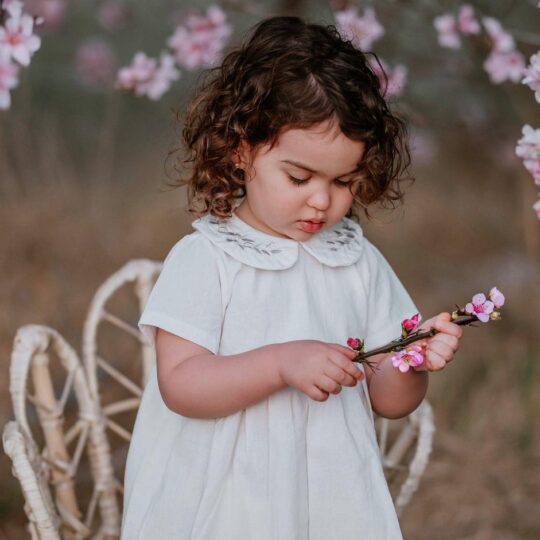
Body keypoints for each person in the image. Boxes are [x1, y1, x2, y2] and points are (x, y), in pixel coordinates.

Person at [121, 16, 463, 540]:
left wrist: (412, 358)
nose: (322, 200)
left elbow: (391, 401)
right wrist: (281, 363)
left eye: (344, 181)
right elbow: (182, 385)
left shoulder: (357, 260)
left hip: (326, 492)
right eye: (299, 177)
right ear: (242, 150)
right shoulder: (208, 258)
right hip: (223, 496)